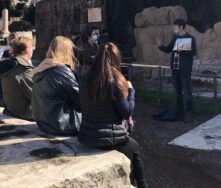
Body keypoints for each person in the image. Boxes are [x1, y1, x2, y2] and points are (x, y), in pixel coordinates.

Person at [78, 42, 147, 188]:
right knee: (134, 147)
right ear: (116, 59)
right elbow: (127, 111)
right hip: (109, 139)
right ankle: (141, 184)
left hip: (86, 134)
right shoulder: (115, 81)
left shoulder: (85, 78)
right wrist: (131, 91)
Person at [32, 36, 81, 135]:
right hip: (65, 125)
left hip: (45, 124)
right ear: (66, 51)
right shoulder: (61, 72)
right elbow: (80, 101)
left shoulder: (40, 69)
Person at [156, 18, 196, 119]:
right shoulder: (175, 38)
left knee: (187, 91)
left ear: (181, 27)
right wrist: (160, 46)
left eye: (175, 27)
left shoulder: (190, 38)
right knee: (178, 92)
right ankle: (179, 111)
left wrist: (181, 50)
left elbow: (193, 52)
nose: (174, 29)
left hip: (184, 70)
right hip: (175, 69)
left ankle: (189, 112)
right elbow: (169, 49)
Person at [0, 36, 34, 120]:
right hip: (26, 113)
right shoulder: (23, 70)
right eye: (31, 47)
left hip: (11, 109)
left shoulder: (7, 65)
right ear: (27, 49)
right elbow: (38, 96)